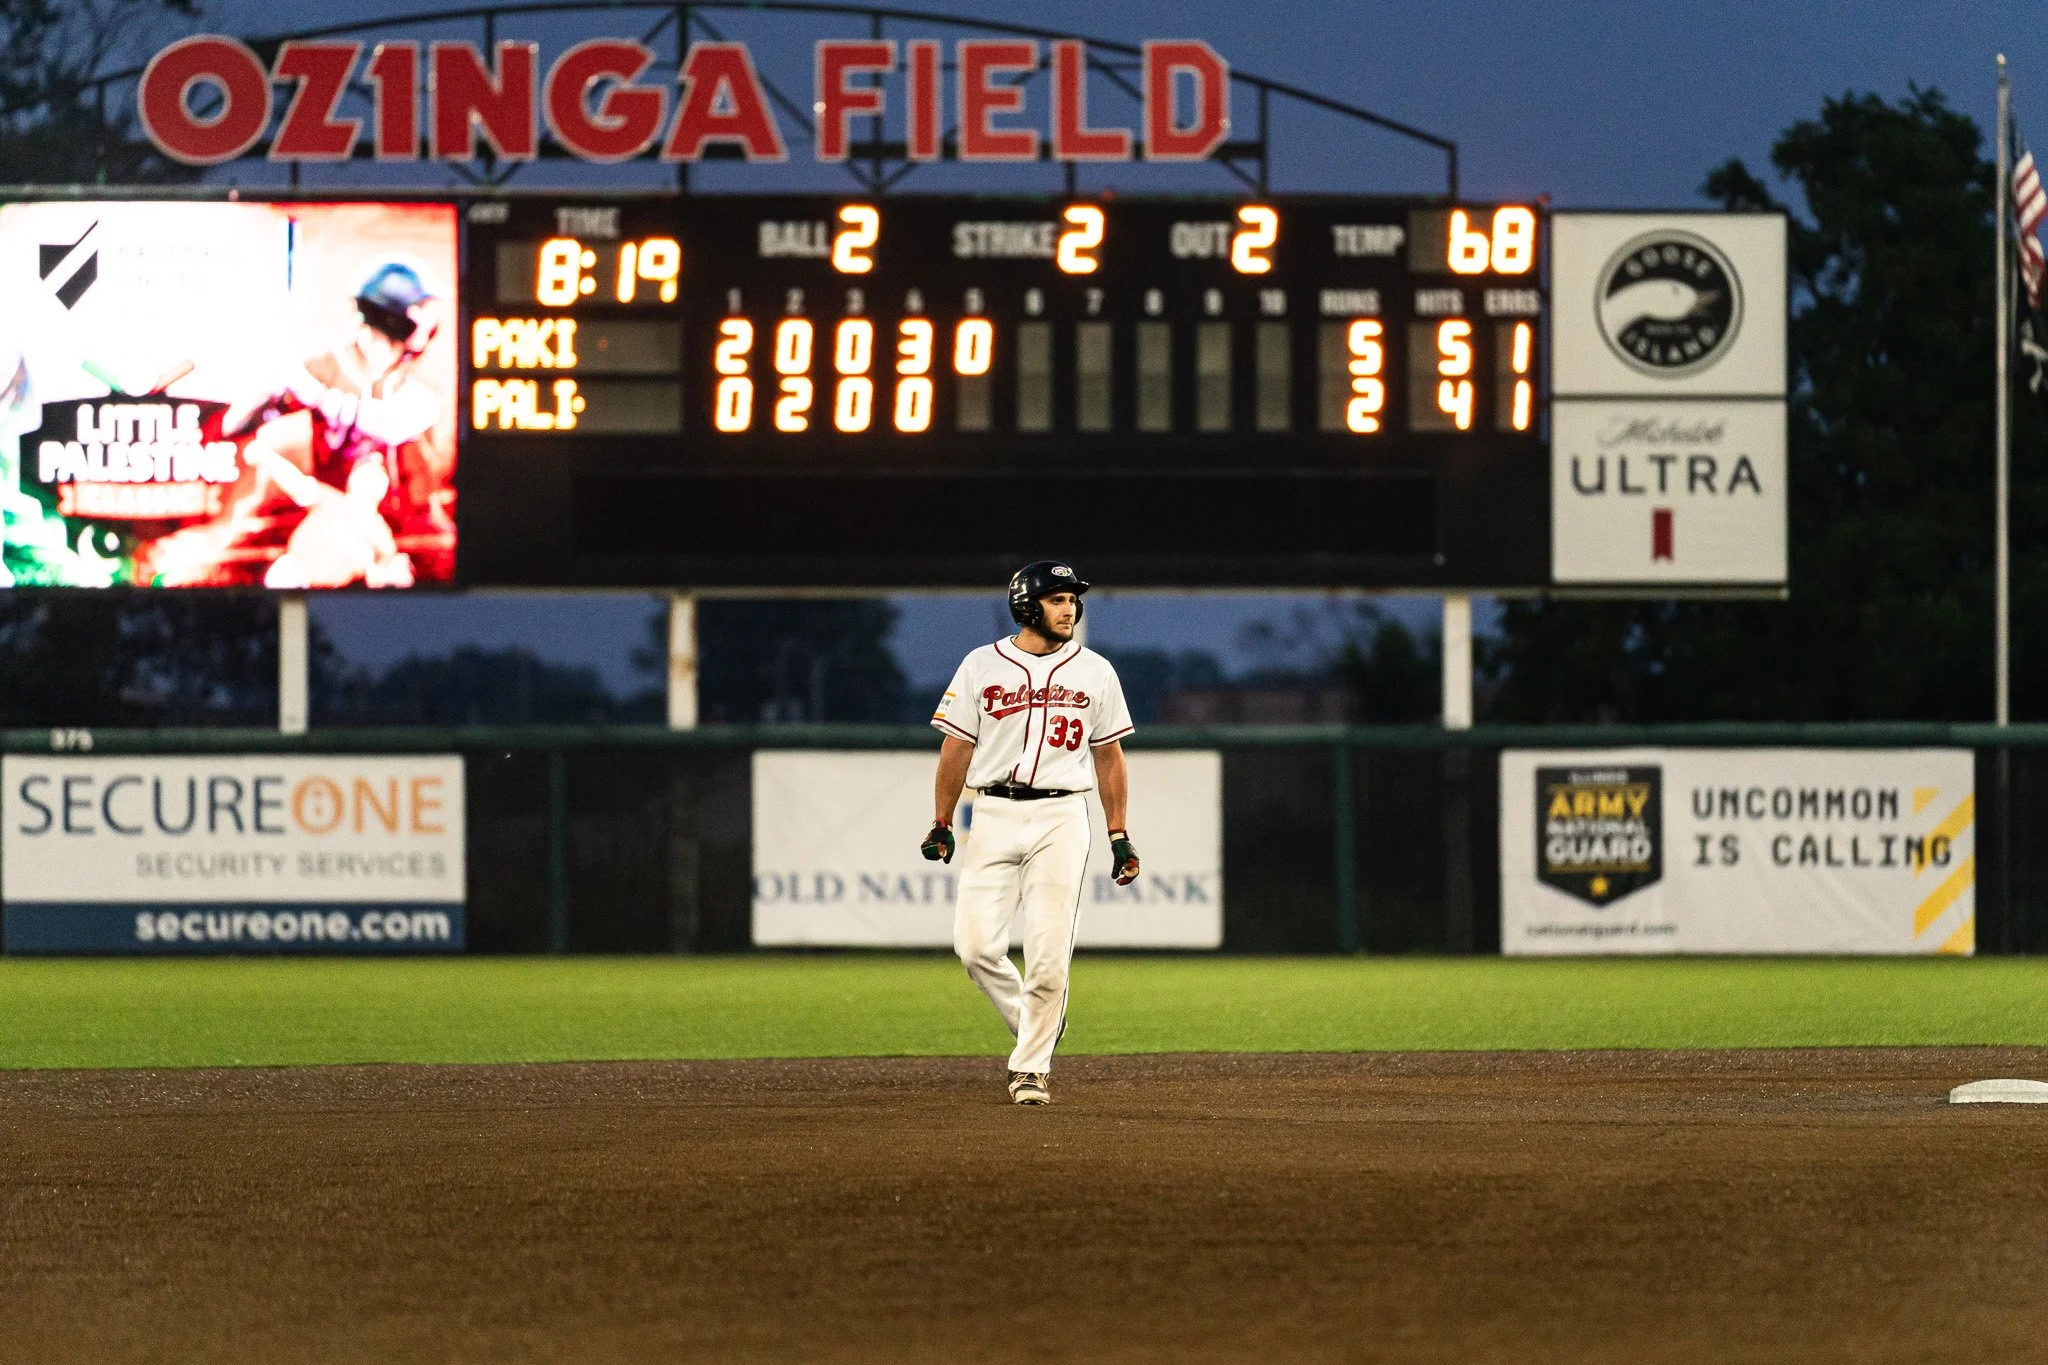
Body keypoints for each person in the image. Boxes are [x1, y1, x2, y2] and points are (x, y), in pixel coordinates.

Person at [921, 560, 1141, 1105]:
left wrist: (1119, 833)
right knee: (973, 948)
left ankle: (1030, 1069)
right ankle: (1037, 1024)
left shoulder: (1096, 671)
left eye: (1073, 599)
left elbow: (1109, 756)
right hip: (992, 811)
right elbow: (957, 748)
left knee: (1048, 956)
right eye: (1057, 598)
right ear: (1027, 606)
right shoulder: (980, 665)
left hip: (1062, 817)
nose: (1069, 608)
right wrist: (942, 820)